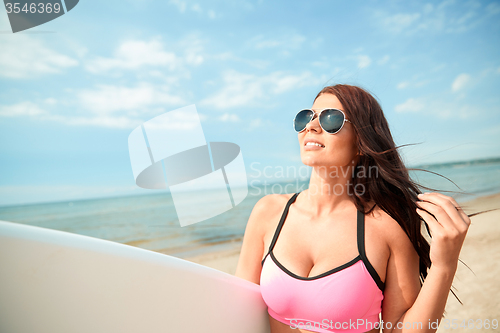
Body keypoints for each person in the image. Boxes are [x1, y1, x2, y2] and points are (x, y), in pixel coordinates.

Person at [235, 84, 472, 333]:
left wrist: (444, 266)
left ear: (361, 143)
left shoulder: (387, 228)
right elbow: (238, 308)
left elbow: (399, 329)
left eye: (330, 119)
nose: (312, 126)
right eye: (307, 116)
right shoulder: (268, 212)